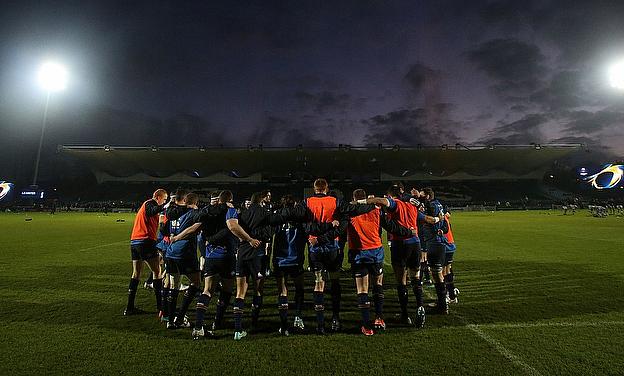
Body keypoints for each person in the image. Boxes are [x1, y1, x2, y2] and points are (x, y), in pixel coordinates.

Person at [300, 178, 376, 334]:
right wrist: (370, 206)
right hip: (332, 248)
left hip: (315, 249)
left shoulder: (307, 202)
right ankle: (335, 318)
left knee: (319, 282)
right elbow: (352, 211)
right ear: (326, 188)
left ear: (314, 188)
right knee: (335, 281)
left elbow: (305, 224)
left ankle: (320, 324)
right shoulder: (335, 201)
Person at [365, 186, 441, 328]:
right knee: (416, 278)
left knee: (401, 281)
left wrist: (366, 200)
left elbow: (382, 201)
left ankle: (405, 315)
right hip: (415, 244)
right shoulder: (412, 207)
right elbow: (427, 219)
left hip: (400, 244)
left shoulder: (395, 204)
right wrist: (438, 218)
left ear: (391, 196)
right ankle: (420, 308)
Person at [347, 188, 415, 335]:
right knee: (378, 285)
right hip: (375, 252)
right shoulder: (376, 210)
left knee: (362, 289)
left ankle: (366, 325)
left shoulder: (349, 212)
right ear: (365, 198)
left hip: (358, 253)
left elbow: (339, 231)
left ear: (354, 198)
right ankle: (379, 318)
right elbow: (392, 227)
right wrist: (409, 232)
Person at [226, 192, 290, 340]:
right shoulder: (264, 213)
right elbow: (275, 223)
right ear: (261, 201)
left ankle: (237, 329)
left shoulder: (242, 213)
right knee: (258, 290)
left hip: (241, 253)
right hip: (257, 255)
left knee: (240, 292)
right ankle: (254, 322)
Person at [124, 188, 168, 316]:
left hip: (135, 242)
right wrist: (166, 206)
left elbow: (156, 218)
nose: (164, 202)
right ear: (157, 197)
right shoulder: (150, 203)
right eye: (164, 199)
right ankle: (160, 307)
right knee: (157, 271)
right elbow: (151, 211)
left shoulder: (151, 207)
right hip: (145, 241)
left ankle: (129, 307)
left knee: (136, 273)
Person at [163, 193, 203, 329]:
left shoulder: (173, 213)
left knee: (174, 286)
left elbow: (163, 229)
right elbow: (193, 228)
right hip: (185, 253)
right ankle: (180, 317)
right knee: (196, 282)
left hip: (171, 252)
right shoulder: (193, 213)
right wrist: (179, 237)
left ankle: (169, 320)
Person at [420, 187, 449, 315]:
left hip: (434, 242)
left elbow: (429, 220)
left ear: (426, 196)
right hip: (439, 241)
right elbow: (445, 226)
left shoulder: (430, 206)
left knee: (436, 274)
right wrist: (441, 229)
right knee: (438, 274)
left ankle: (443, 305)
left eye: (422, 194)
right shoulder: (438, 204)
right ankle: (442, 303)